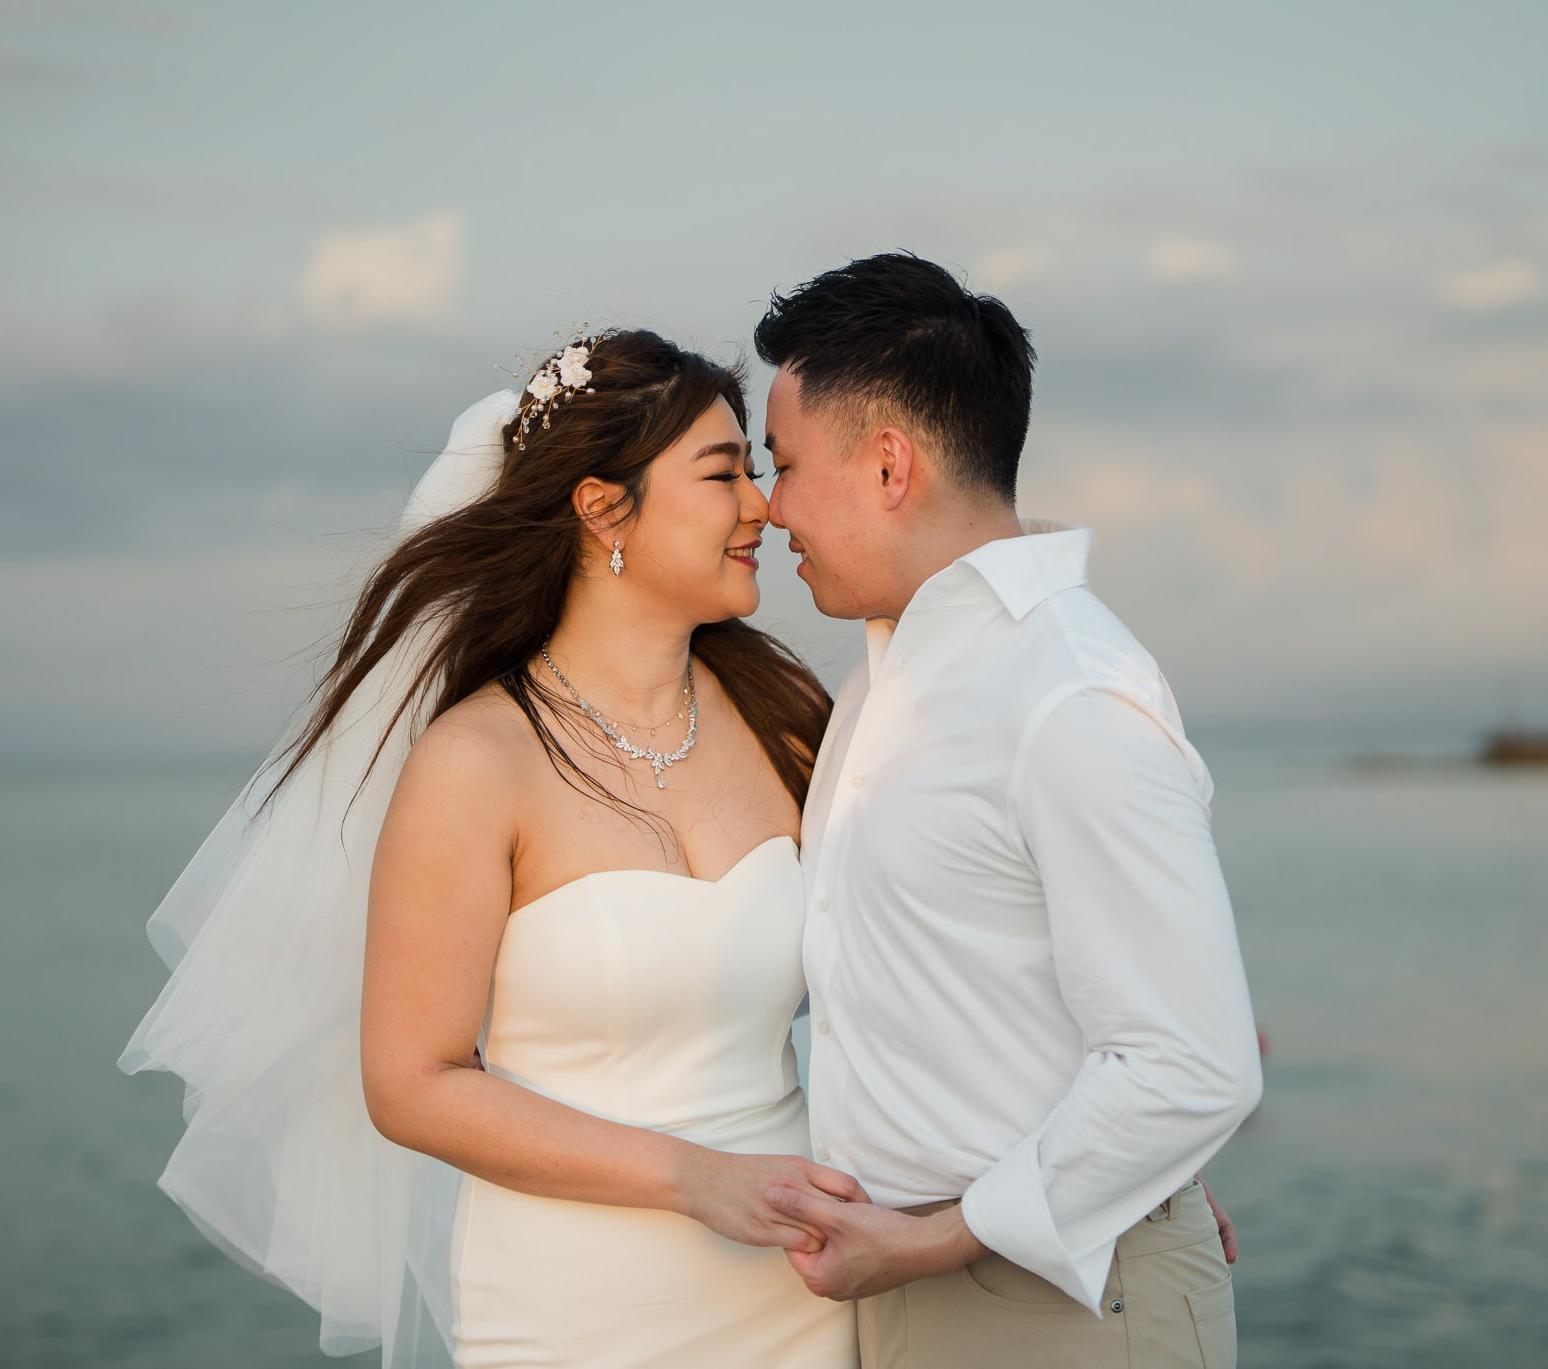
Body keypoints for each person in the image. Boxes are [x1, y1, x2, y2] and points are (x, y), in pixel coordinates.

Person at [119, 330, 858, 1368]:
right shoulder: (475, 763)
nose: (761, 505)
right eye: (722, 472)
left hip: (801, 1291)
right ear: (603, 507)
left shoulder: (787, 721)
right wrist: (698, 1177)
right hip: (574, 1308)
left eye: (757, 469)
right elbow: (413, 1083)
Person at [751, 253, 1264, 1368]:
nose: (769, 504)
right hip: (915, 1293)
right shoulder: (875, 684)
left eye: (782, 463)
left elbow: (1195, 1067)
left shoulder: (1069, 695)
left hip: (1057, 1309)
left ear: (890, 465)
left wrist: (929, 1243)